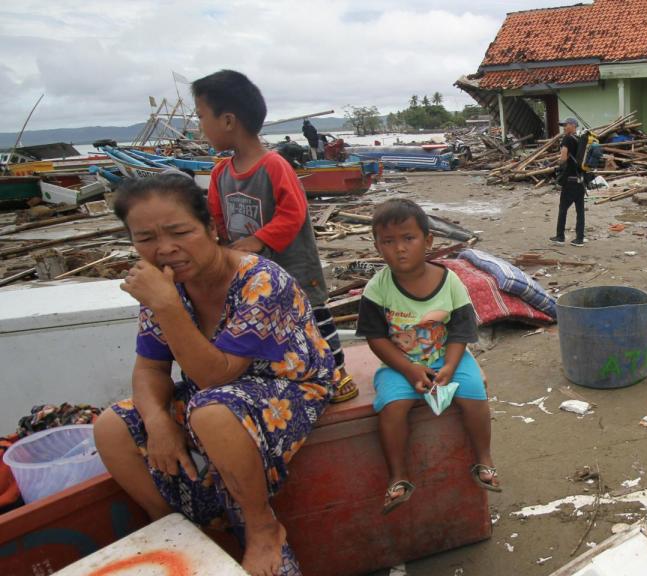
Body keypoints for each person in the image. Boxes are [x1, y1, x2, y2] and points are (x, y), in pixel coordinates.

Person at [94, 172, 338, 576]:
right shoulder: (165, 287)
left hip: (288, 386)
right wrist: (156, 423)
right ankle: (174, 526)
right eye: (146, 238)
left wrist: (167, 306)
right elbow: (150, 367)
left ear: (210, 228)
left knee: (211, 410)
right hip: (212, 394)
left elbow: (217, 375)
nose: (165, 249)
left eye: (179, 232)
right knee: (111, 427)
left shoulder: (260, 280)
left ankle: (262, 528)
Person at [192, 70, 358, 404]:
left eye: (200, 117)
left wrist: (258, 240)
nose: (199, 128)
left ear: (227, 121)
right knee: (266, 321)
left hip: (293, 264)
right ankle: (292, 373)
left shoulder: (274, 165)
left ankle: (337, 371)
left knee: (315, 315)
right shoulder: (220, 173)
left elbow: (293, 213)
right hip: (251, 273)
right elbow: (217, 220)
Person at [356, 199, 501, 514]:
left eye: (409, 238)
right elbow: (376, 338)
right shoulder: (376, 289)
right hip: (401, 364)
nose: (400, 249)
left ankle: (484, 458)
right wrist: (408, 369)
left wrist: (450, 366)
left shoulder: (450, 282)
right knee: (392, 409)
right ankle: (398, 476)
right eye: (388, 241)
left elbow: (461, 331)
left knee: (475, 394)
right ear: (378, 247)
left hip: (448, 357)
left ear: (428, 240)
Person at [550, 117, 586, 247]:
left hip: (570, 181)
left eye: (565, 125)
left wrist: (558, 165)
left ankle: (560, 236)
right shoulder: (580, 140)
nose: (564, 128)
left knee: (563, 209)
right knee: (580, 211)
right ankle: (580, 238)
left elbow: (564, 157)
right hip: (581, 181)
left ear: (572, 125)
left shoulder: (567, 139)